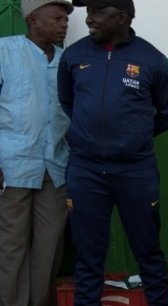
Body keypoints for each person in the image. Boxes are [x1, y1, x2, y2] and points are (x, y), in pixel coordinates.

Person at [56, 0, 168, 305]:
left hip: (134, 172)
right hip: (85, 171)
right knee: (87, 259)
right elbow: (68, 102)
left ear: (122, 16)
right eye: (89, 12)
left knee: (148, 253)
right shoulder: (75, 56)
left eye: (98, 12)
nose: (89, 19)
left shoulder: (152, 60)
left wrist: (132, 138)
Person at [0, 1, 73, 305]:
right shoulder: (5, 51)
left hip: (55, 166)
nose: (64, 24)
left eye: (66, 19)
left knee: (50, 245)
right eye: (56, 18)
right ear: (33, 19)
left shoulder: (68, 60)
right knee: (11, 246)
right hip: (12, 165)